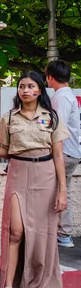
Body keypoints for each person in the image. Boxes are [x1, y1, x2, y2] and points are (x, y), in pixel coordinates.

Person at [0, 71, 69, 288]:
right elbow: (7, 151)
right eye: (21, 87)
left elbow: (58, 154)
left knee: (41, 234)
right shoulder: (9, 118)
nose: (25, 90)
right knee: (15, 231)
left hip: (46, 175)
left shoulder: (51, 117)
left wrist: (62, 190)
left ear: (40, 89)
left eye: (30, 86)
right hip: (18, 173)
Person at [46, 60, 81, 249]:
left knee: (58, 191)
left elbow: (57, 126)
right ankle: (63, 233)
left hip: (63, 152)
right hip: (70, 152)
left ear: (50, 77)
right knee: (62, 189)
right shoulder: (68, 95)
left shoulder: (61, 97)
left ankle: (62, 233)